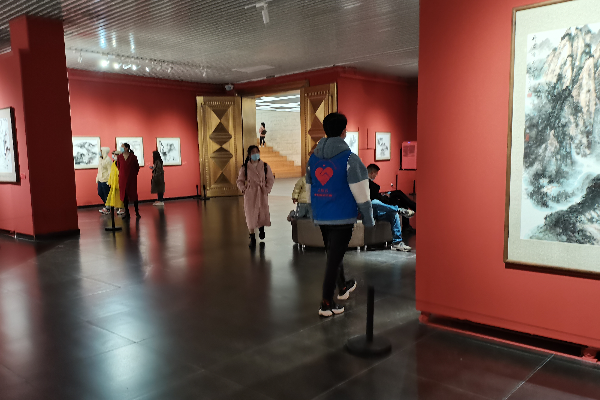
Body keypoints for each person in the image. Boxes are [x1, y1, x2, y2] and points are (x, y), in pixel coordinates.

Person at [307, 112, 374, 317]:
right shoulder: (350, 159)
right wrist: (368, 217)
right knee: (333, 260)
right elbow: (361, 191)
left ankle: (343, 286)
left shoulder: (313, 158)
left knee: (333, 254)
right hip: (342, 216)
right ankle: (326, 303)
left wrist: (312, 212)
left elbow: (309, 188)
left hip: (322, 214)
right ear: (344, 132)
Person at [366, 164, 414, 252]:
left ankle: (397, 242)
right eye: (376, 174)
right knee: (374, 202)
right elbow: (370, 198)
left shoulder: (371, 185)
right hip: (366, 212)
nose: (376, 176)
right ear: (372, 173)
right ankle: (399, 210)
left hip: (376, 211)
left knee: (393, 214)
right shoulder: (362, 183)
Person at [237, 145, 275, 248]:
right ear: (249, 155)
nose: (256, 154)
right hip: (250, 193)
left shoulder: (265, 166)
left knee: (261, 212)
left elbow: (270, 179)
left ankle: (261, 228)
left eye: (257, 152)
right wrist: (244, 189)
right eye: (253, 152)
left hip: (261, 193)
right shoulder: (245, 167)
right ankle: (252, 236)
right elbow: (240, 180)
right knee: (250, 214)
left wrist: (267, 189)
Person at [116, 143, 140, 220]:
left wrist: (133, 174)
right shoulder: (119, 157)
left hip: (131, 179)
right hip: (122, 179)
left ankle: (137, 212)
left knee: (134, 195)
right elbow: (119, 167)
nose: (121, 148)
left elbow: (137, 167)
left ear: (126, 148)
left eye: (122, 147)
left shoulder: (133, 157)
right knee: (124, 196)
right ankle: (127, 213)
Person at [96, 147, 112, 215]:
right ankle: (108, 205)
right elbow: (99, 170)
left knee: (106, 194)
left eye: (101, 151)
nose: (100, 152)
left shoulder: (108, 160)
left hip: (106, 180)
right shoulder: (100, 159)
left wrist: (110, 180)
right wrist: (97, 178)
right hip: (100, 179)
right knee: (100, 192)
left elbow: (110, 171)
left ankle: (108, 208)